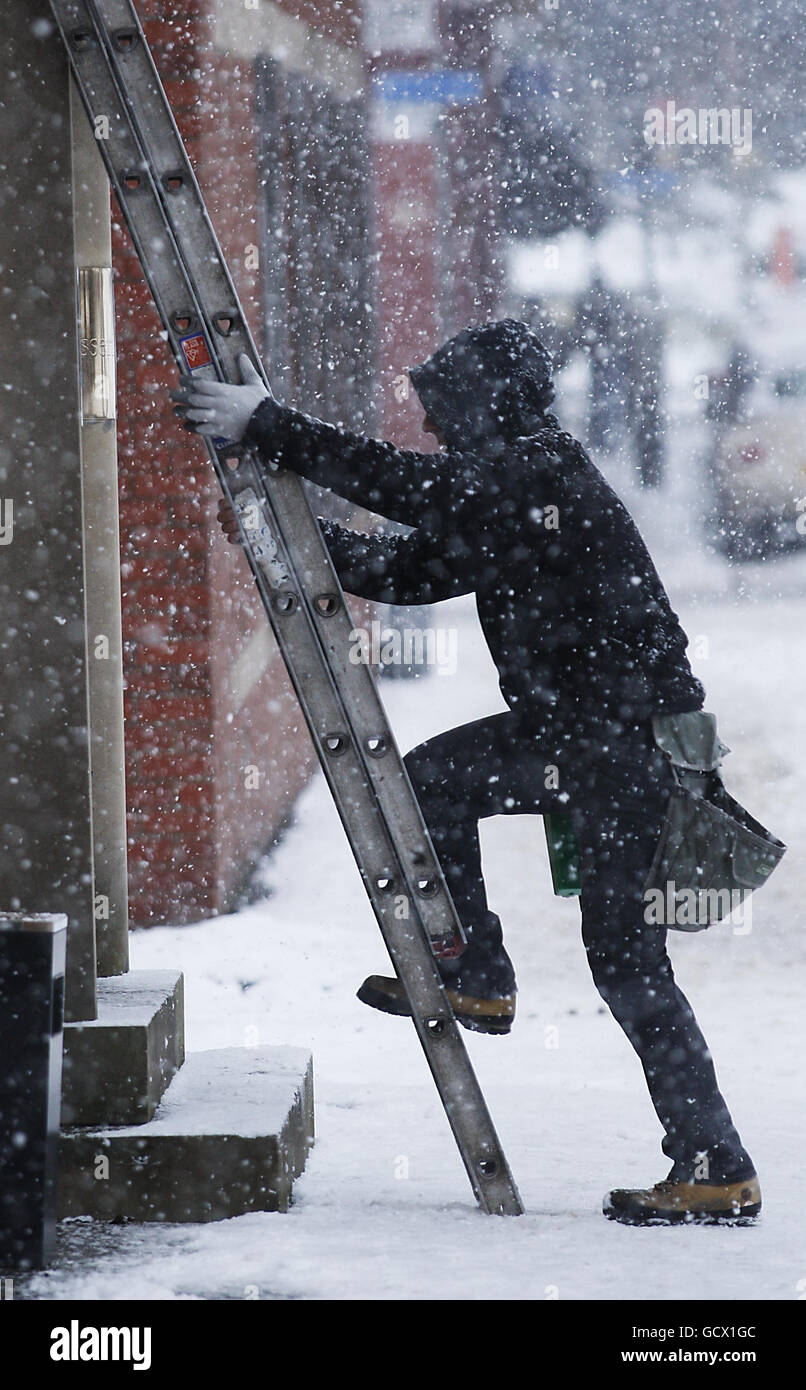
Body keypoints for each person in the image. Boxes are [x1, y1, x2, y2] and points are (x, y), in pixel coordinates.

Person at [171, 320, 760, 1226]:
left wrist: (270, 426)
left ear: (485, 405)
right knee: (626, 963)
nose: (434, 430)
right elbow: (413, 569)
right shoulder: (516, 489)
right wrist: (284, 535)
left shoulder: (535, 476)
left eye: (443, 412)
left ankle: (484, 975)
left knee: (450, 797)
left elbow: (412, 489)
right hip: (604, 739)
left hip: (618, 743)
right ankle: (708, 1155)